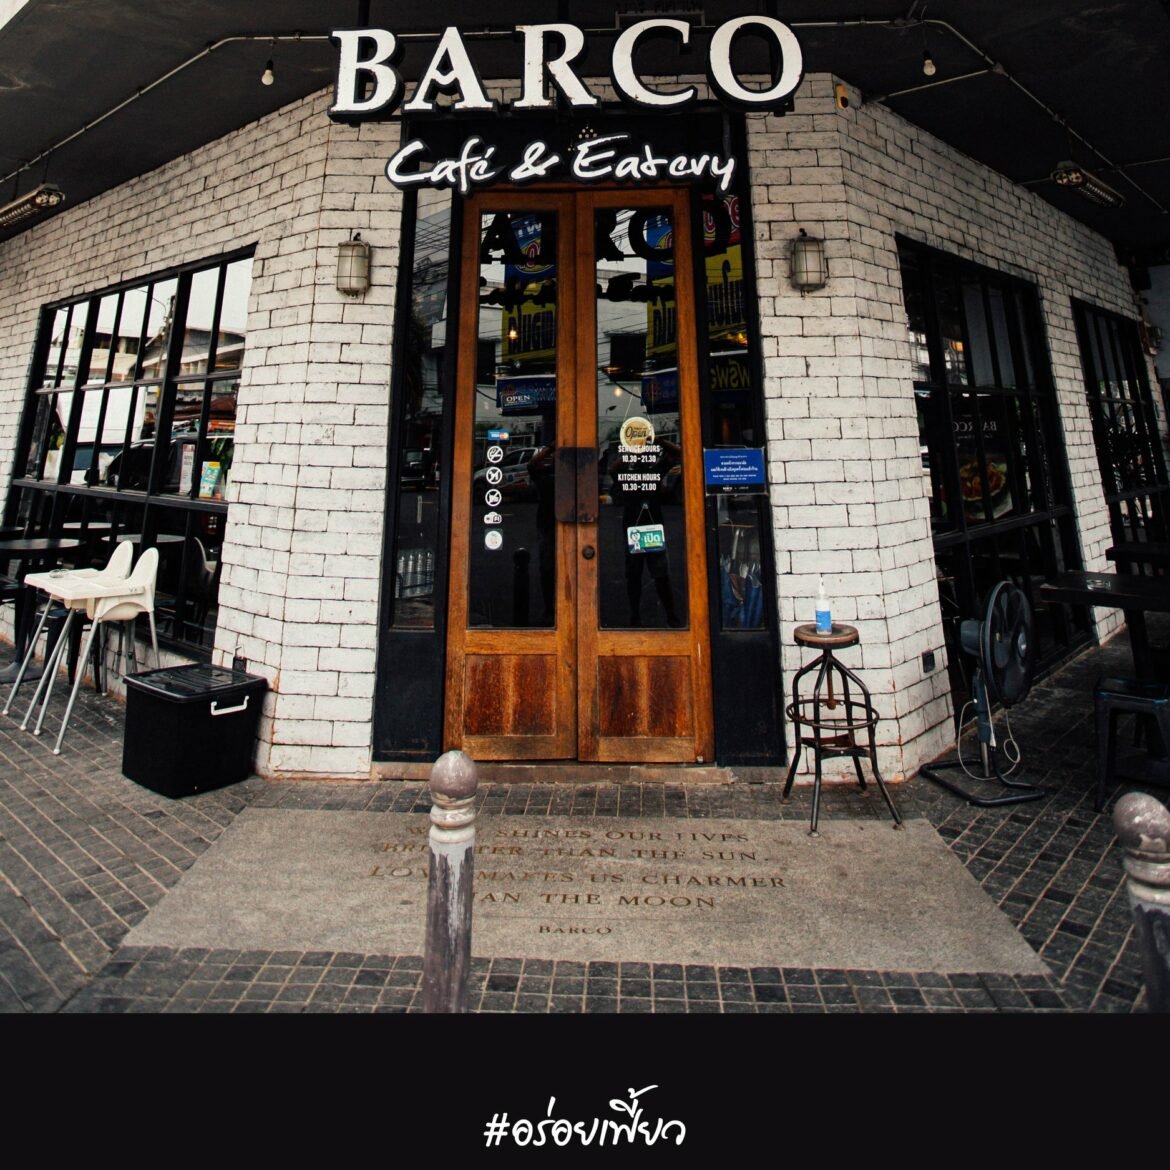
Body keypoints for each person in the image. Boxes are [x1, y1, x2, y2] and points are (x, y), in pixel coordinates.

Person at [613, 436, 682, 627]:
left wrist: (658, 441)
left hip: (644, 527)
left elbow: (679, 453)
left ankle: (668, 616)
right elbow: (613, 469)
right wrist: (634, 451)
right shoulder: (633, 472)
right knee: (638, 575)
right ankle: (640, 615)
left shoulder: (653, 471)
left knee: (657, 575)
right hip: (640, 527)